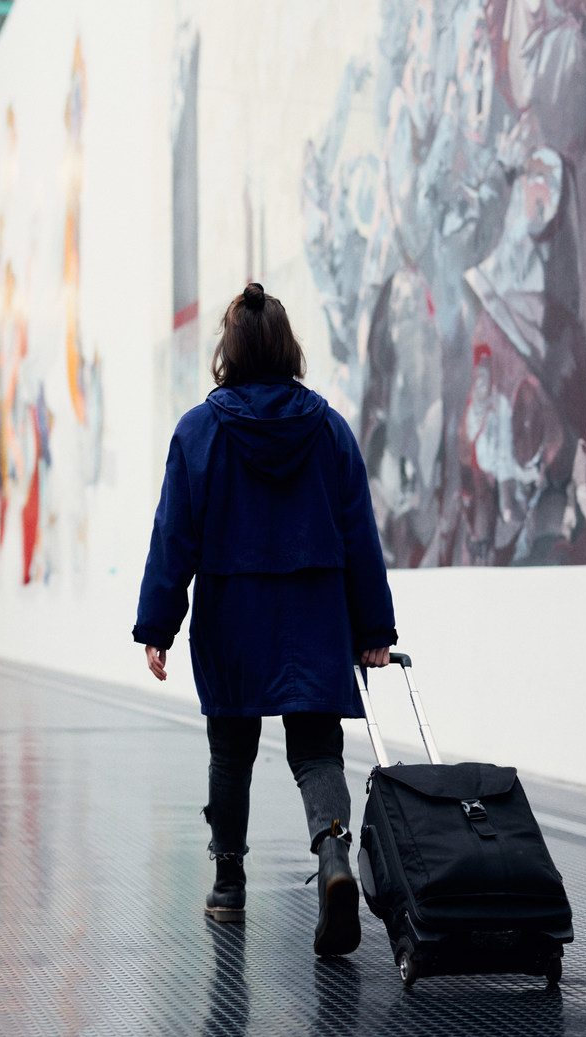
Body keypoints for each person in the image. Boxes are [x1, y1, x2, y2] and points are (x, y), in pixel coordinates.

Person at [133, 282, 397, 956]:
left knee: (232, 752)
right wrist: (373, 630)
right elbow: (359, 532)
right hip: (314, 612)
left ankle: (228, 886)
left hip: (232, 612)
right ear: (288, 347)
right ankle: (334, 859)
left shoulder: (199, 429)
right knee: (315, 751)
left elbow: (175, 535)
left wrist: (157, 624)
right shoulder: (329, 428)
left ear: (230, 351)